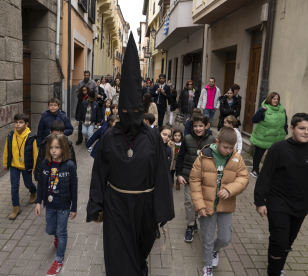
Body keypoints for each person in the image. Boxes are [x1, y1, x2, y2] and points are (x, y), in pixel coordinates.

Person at [86, 34, 174, 276]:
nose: (130, 114)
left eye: (136, 110)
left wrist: (162, 209)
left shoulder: (153, 137)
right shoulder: (109, 137)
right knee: (117, 257)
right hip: (116, 204)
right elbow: (99, 172)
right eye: (125, 110)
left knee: (139, 252)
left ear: (143, 110)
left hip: (145, 205)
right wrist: (96, 204)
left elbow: (161, 174)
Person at [254, 113, 308, 276]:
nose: (306, 132)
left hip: (300, 206)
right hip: (277, 203)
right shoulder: (278, 148)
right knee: (279, 241)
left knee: (288, 242)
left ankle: (278, 265)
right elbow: (265, 176)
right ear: (292, 129)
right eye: (302, 128)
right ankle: (273, 272)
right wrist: (260, 201)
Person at [190, 127, 249, 276]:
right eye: (225, 147)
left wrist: (230, 189)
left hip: (225, 205)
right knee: (207, 238)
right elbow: (195, 181)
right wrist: (199, 205)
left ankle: (214, 250)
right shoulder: (204, 156)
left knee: (225, 238)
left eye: (231, 147)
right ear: (217, 142)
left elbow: (244, 178)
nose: (228, 150)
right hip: (206, 206)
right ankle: (208, 265)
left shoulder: (237, 158)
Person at [34, 133, 78, 276]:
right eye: (51, 147)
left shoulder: (69, 166)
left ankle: (58, 259)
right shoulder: (44, 164)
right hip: (50, 205)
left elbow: (74, 188)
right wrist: (38, 202)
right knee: (50, 229)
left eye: (57, 148)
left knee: (61, 231)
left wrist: (74, 208)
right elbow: (41, 186)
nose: (53, 150)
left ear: (63, 148)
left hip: (64, 206)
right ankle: (57, 237)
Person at [176, 113, 215, 243]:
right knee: (189, 202)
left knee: (200, 201)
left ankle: (195, 221)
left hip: (204, 178)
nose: (198, 128)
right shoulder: (187, 139)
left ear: (206, 126)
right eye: (195, 126)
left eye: (201, 126)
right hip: (188, 176)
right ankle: (190, 225)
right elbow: (180, 157)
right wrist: (179, 174)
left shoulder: (212, 140)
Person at [2, 113, 38, 220]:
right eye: (16, 122)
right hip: (14, 166)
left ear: (26, 124)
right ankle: (16, 207)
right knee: (14, 186)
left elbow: (35, 154)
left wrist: (35, 168)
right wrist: (5, 163)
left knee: (28, 184)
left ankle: (33, 191)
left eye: (21, 122)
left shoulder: (31, 137)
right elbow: (6, 150)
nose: (18, 124)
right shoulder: (11, 135)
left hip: (25, 166)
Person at [250, 92, 288, 178]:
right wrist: (261, 111)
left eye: (277, 99)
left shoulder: (282, 110)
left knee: (273, 156)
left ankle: (268, 172)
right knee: (258, 154)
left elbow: (285, 122)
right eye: (274, 99)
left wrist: (285, 131)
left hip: (276, 137)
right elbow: (254, 120)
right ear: (269, 99)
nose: (276, 101)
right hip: (263, 137)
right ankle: (255, 170)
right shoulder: (264, 109)